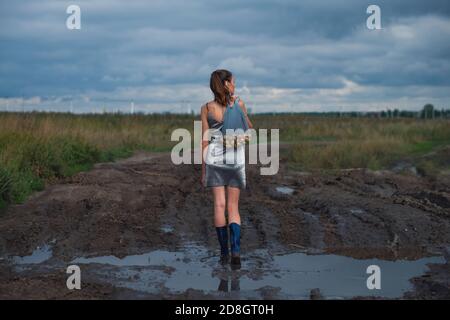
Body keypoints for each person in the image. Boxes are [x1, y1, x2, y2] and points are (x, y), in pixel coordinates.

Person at [200, 69, 253, 270]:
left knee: (219, 206)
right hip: (235, 157)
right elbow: (249, 129)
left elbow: (204, 140)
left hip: (213, 157)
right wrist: (240, 110)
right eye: (233, 82)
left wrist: (203, 169)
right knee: (233, 207)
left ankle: (223, 253)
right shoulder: (238, 103)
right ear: (227, 84)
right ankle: (236, 252)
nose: (235, 85)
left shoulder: (206, 108)